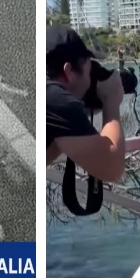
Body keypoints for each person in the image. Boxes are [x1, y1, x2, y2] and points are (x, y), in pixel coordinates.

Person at [46, 25, 126, 182]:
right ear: (68, 71)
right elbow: (112, 169)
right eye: (90, 70)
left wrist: (84, 107)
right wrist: (111, 101)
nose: (90, 79)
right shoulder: (56, 100)